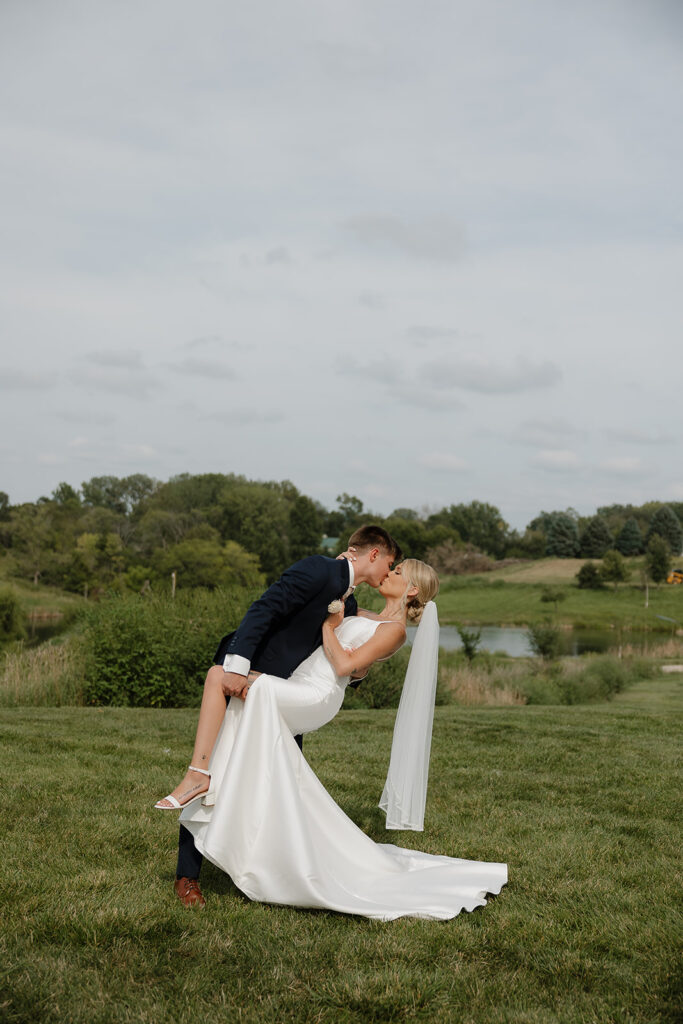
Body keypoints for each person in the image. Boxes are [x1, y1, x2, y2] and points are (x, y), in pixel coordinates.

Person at [158, 556, 508, 920]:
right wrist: (344, 582)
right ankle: (235, 830)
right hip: (298, 684)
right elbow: (347, 625)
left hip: (316, 695)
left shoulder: (397, 630)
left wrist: (330, 625)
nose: (389, 573)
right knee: (242, 746)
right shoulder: (371, 616)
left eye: (397, 571)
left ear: (413, 589)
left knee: (219, 677)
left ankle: (200, 780)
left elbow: (345, 666)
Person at [159, 525, 402, 907]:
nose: (390, 572)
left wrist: (358, 671)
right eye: (390, 563)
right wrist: (236, 667)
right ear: (373, 554)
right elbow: (264, 608)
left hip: (287, 698)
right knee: (218, 767)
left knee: (277, 788)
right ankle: (187, 877)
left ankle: (265, 873)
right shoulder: (319, 569)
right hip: (251, 680)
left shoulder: (348, 601)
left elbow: (335, 654)